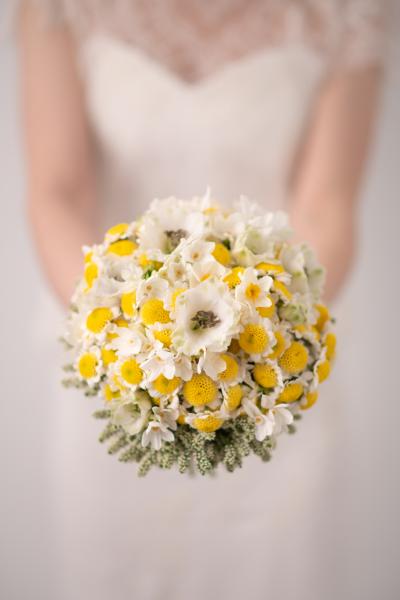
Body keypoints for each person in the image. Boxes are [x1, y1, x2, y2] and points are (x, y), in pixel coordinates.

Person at [16, 1, 390, 599]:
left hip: (271, 387)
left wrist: (263, 336)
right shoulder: (60, 10)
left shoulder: (347, 14)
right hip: (119, 390)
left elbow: (326, 206)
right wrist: (121, 336)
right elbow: (58, 192)